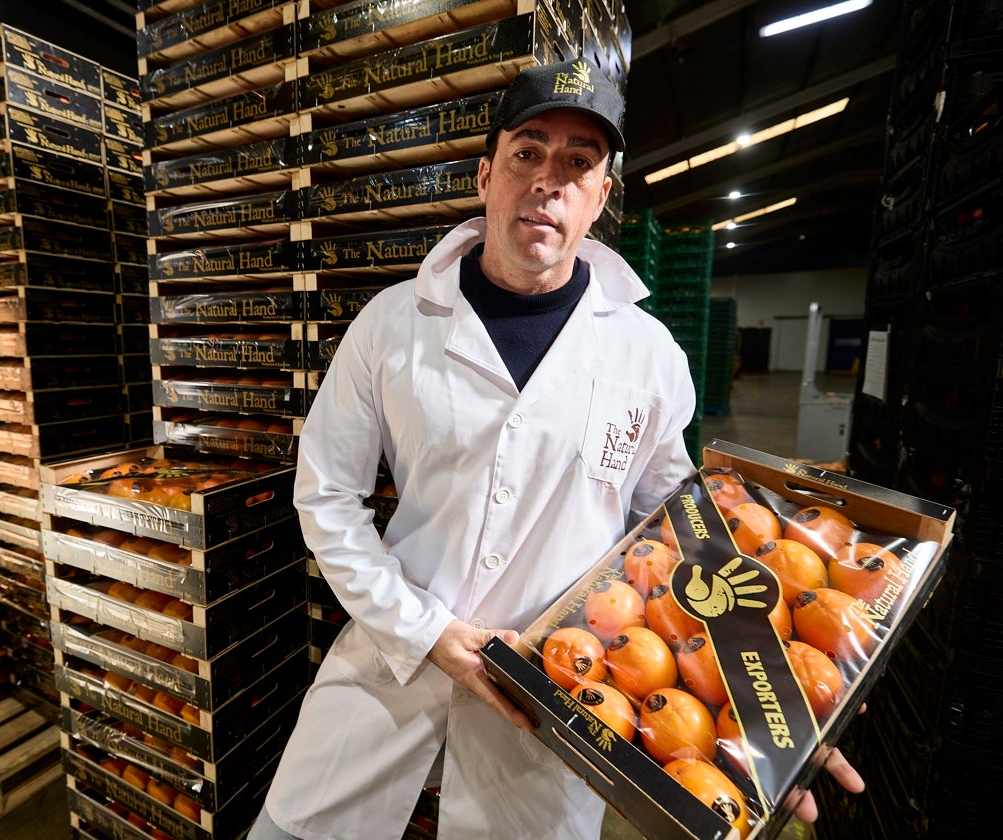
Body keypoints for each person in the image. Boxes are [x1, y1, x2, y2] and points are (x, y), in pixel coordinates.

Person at [250, 58, 862, 839]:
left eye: (579, 163)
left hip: (559, 690)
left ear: (601, 197)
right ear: (486, 174)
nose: (550, 180)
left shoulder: (649, 355)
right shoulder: (392, 325)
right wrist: (427, 632)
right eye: (527, 153)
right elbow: (327, 496)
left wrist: (770, 700)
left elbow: (677, 542)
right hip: (391, 657)